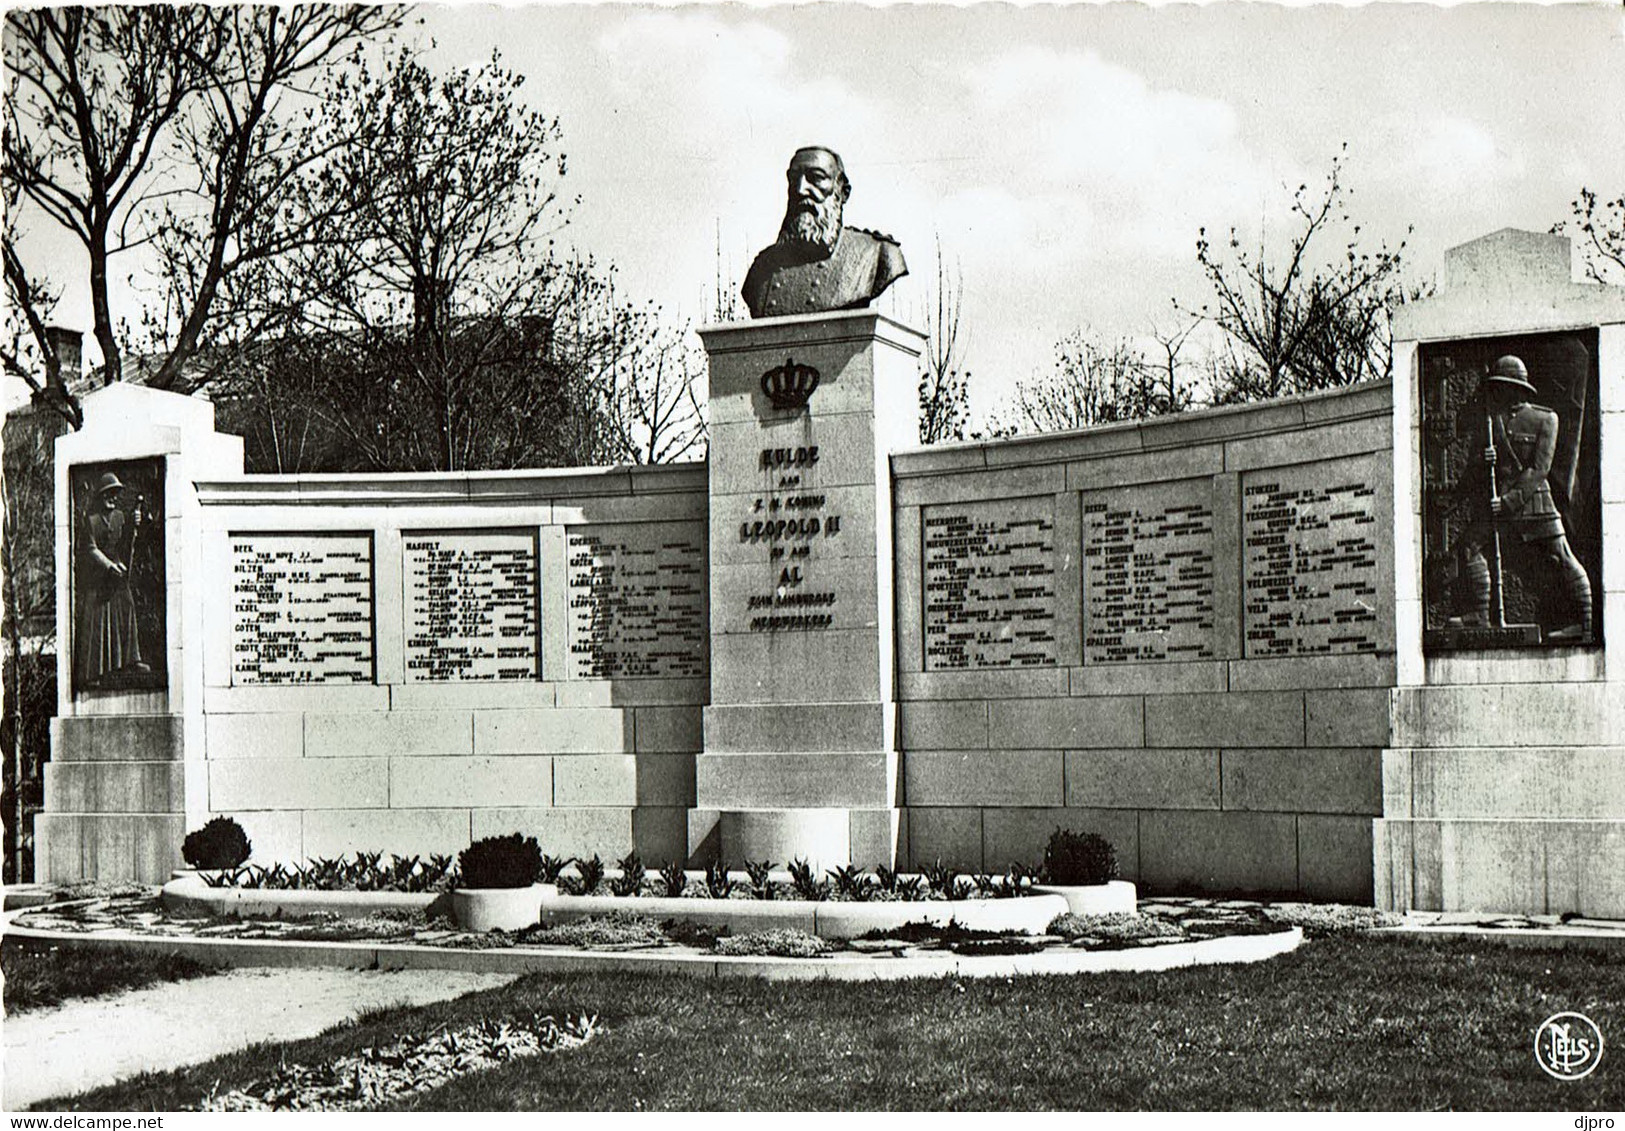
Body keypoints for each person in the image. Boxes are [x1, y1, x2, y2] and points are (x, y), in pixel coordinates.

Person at [1452, 355, 1592, 642]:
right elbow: (1479, 470)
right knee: (1469, 546)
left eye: (1504, 386)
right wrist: (1484, 458)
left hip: (1533, 503)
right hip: (1498, 503)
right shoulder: (1493, 422)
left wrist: (1508, 501)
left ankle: (1585, 621)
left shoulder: (1545, 419)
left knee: (1560, 555)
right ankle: (1480, 613)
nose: (1500, 391)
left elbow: (1539, 469)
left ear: (1517, 387)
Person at [742, 146, 907, 318]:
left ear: (843, 193)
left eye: (816, 178)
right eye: (794, 179)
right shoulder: (762, 269)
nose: (800, 190)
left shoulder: (878, 255)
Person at [77, 470, 149, 686]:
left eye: (116, 493)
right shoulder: (91, 521)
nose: (113, 497)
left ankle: (131, 660)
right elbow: (90, 549)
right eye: (109, 493)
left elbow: (126, 542)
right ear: (101, 495)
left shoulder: (120, 517)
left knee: (127, 608)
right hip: (99, 578)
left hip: (118, 575)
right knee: (97, 622)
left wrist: (135, 525)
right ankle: (93, 673)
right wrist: (109, 566)